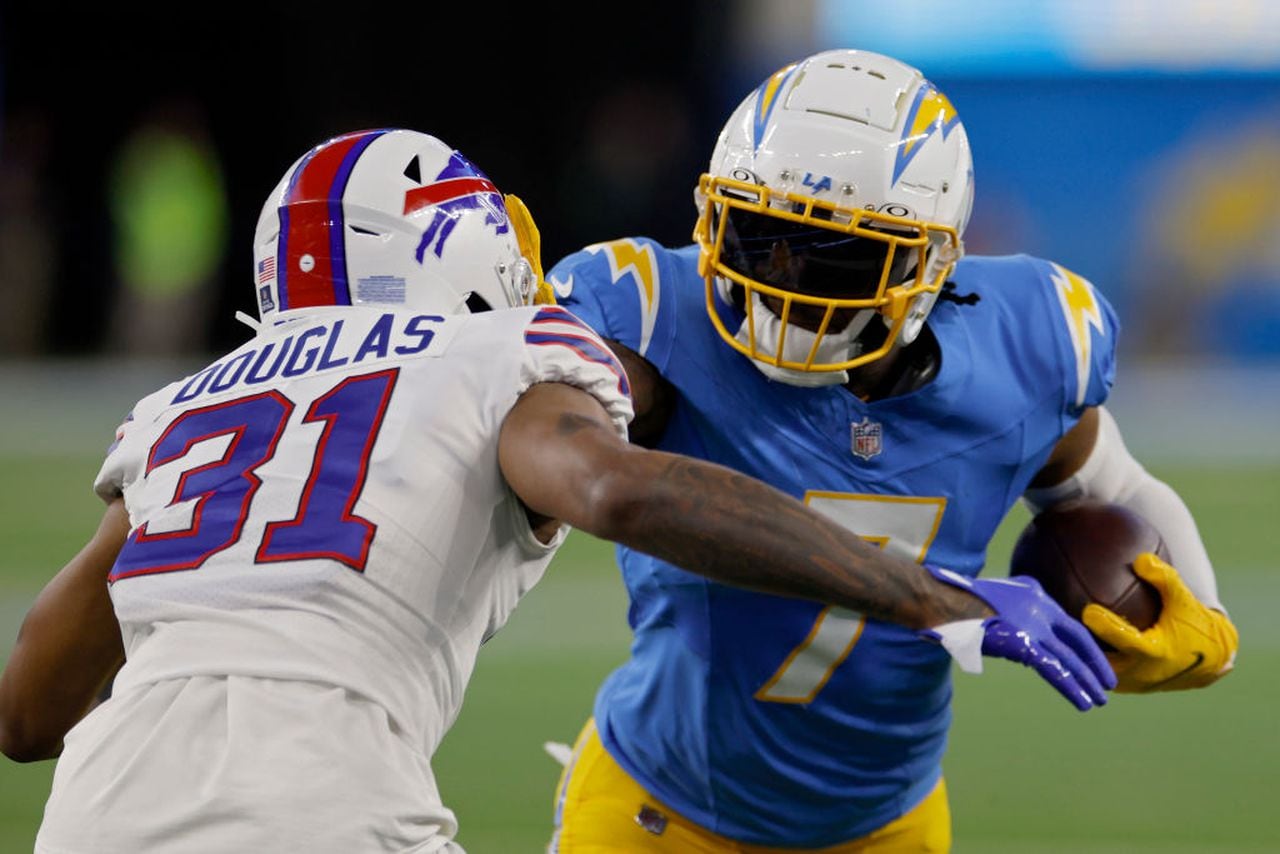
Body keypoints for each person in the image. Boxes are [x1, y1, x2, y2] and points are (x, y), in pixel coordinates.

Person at [0, 128, 1113, 853]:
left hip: (96, 816)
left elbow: (28, 708)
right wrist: (927, 593)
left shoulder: (185, 405)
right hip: (331, 810)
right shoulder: (498, 353)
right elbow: (615, 492)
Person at [544, 49, 1241, 852]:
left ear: (930, 261)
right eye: (758, 235)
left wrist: (1206, 620)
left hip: (888, 825)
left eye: (835, 254)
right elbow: (563, 453)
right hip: (658, 807)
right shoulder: (652, 317)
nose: (783, 280)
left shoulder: (1027, 345)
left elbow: (1109, 482)